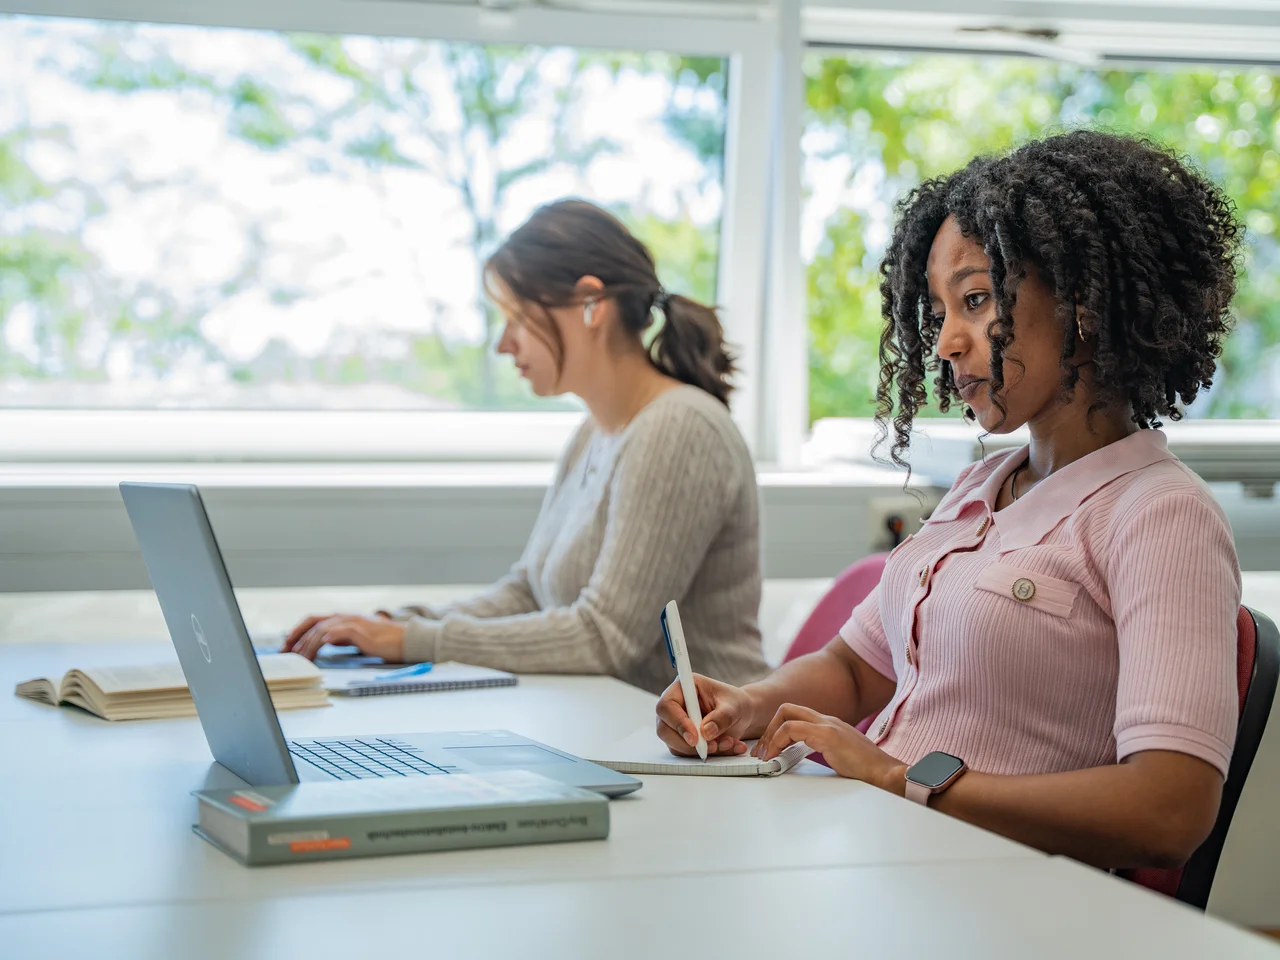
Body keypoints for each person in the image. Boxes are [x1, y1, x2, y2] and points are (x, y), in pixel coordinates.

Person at [657, 130, 1244, 871]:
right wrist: (749, 704)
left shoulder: (1160, 517)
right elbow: (853, 668)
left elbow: (1169, 808)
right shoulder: (979, 488)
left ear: (1086, 304)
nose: (944, 343)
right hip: (883, 859)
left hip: (993, 899)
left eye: (975, 299)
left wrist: (903, 780)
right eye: (939, 311)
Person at [283, 199, 768, 695]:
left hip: (715, 753)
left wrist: (414, 639)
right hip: (621, 728)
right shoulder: (594, 434)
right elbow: (528, 591)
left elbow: (605, 638)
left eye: (516, 317)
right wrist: (388, 624)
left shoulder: (679, 429)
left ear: (589, 304)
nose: (503, 345)